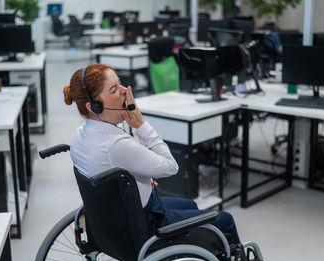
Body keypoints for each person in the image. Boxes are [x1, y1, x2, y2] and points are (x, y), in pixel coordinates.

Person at [63, 63, 241, 245]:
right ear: (94, 107)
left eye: (120, 83)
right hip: (144, 224)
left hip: (115, 217)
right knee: (225, 219)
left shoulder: (80, 135)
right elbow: (171, 167)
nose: (125, 91)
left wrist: (139, 180)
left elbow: (113, 167)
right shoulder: (116, 145)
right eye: (114, 89)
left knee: (190, 205)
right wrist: (140, 123)